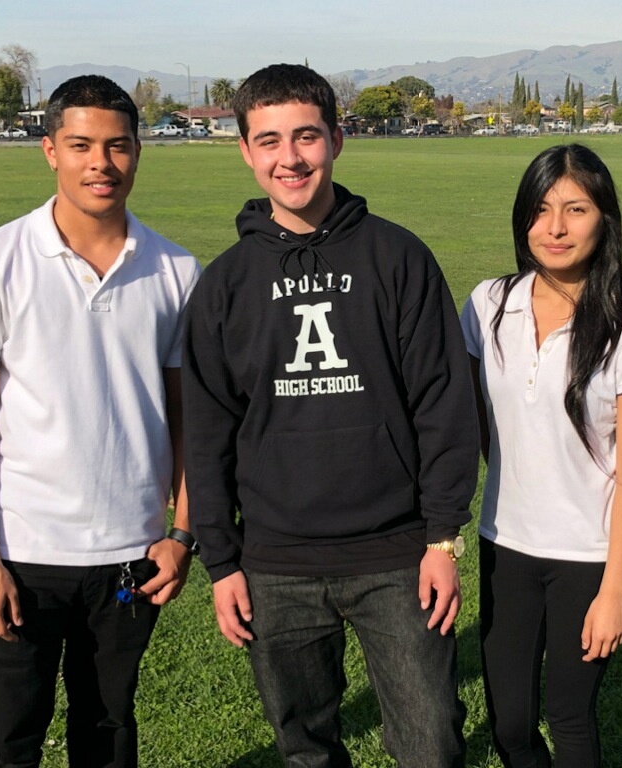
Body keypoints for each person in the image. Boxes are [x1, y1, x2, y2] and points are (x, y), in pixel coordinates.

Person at [181, 63, 479, 768]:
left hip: (396, 555)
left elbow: (443, 400)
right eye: (271, 140)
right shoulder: (225, 283)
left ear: (337, 140)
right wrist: (222, 562)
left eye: (307, 136)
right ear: (246, 151)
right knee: (306, 748)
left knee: (431, 740)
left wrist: (442, 539)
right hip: (275, 563)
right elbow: (209, 431)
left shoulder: (398, 257)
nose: (291, 158)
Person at [0, 75, 201, 768]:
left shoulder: (177, 270)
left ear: (138, 152)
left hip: (128, 559)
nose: (101, 163)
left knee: (108, 734)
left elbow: (192, 420)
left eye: (117, 146)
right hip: (20, 554)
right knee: (4, 741)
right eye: (81, 145)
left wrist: (180, 534)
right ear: (49, 149)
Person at [460, 144, 622, 767]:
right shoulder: (488, 304)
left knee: (569, 718)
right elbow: (469, 425)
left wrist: (614, 591)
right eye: (541, 210)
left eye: (575, 209)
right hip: (505, 547)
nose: (555, 228)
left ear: (604, 217)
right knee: (512, 724)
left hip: (588, 557)